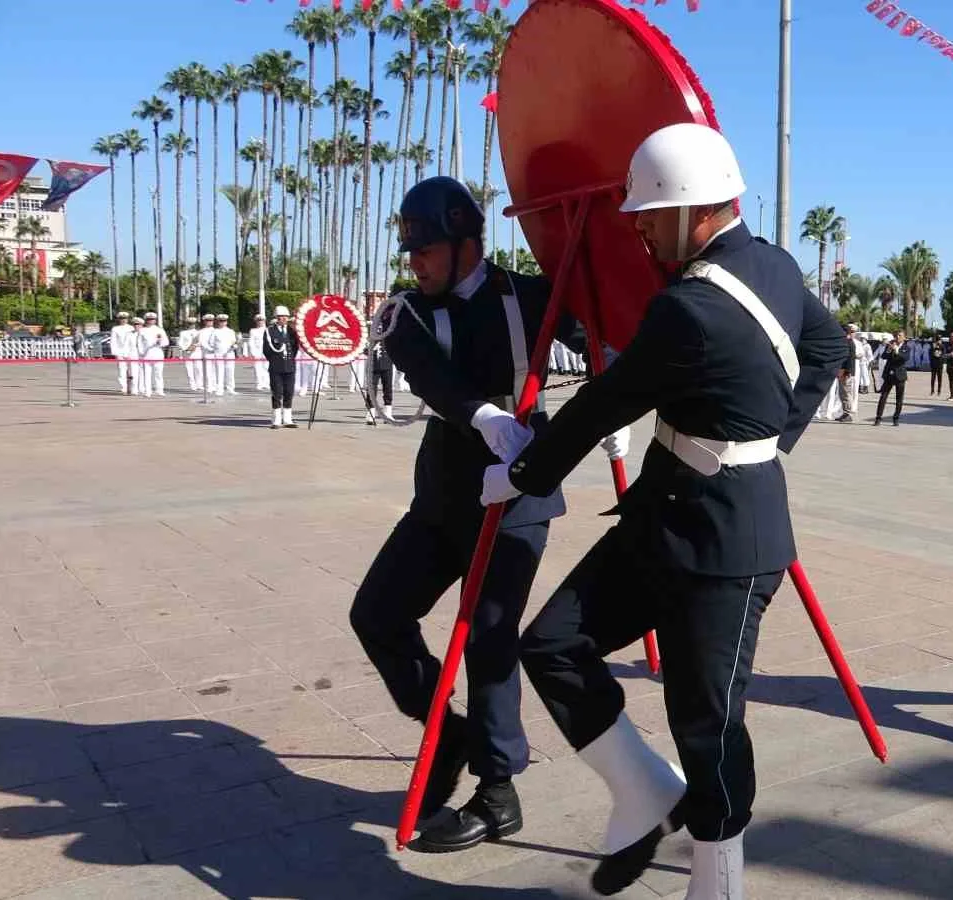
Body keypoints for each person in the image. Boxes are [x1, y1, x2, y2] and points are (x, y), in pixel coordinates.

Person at [486, 123, 845, 899]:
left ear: (697, 212)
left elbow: (603, 404)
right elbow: (827, 346)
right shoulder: (777, 266)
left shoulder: (690, 306)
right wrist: (772, 436)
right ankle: (645, 790)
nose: (640, 227)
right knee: (552, 646)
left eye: (651, 213)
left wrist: (522, 470)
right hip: (665, 516)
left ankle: (718, 882)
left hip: (728, 543)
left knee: (707, 724)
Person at [349, 176, 602, 854]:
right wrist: (485, 416)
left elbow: (599, 337)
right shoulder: (404, 311)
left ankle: (498, 786)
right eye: (411, 253)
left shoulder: (530, 295)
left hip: (521, 485)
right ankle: (449, 732)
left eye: (426, 250)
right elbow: (430, 374)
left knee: (490, 635)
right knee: (375, 613)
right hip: (445, 488)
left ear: (466, 243)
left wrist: (609, 392)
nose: (415, 264)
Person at [261, 306, 300, 429]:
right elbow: (266, 350)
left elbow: (295, 348)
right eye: (281, 317)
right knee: (277, 393)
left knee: (289, 392)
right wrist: (276, 361)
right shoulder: (270, 331)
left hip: (289, 366)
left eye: (285, 317)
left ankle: (288, 419)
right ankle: (276, 420)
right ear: (276, 318)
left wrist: (289, 361)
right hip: (276, 367)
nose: (283, 319)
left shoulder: (291, 331)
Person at [874, 330, 909, 426]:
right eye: (896, 335)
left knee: (899, 398)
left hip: (900, 375)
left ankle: (896, 418)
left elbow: (904, 359)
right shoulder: (890, 345)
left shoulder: (906, 348)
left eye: (900, 335)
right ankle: (878, 418)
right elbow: (884, 356)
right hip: (889, 374)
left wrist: (897, 350)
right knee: (883, 396)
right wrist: (889, 349)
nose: (897, 337)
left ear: (904, 338)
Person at [137, 312, 169, 397]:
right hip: (146, 354)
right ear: (146, 320)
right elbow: (139, 343)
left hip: (157, 353)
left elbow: (166, 342)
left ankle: (160, 390)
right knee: (147, 374)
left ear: (155, 320)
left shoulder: (159, 330)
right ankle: (148, 391)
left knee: (158, 373)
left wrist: (160, 343)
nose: (151, 321)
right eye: (149, 319)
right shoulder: (142, 330)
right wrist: (141, 353)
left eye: (153, 319)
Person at [109, 311, 136, 394]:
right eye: (122, 318)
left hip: (131, 351)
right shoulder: (115, 329)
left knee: (133, 370)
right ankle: (123, 387)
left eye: (125, 318)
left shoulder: (131, 328)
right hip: (120, 352)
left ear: (127, 319)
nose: (123, 320)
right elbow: (113, 341)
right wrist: (115, 353)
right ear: (119, 320)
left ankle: (134, 388)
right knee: (122, 370)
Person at [177, 316, 203, 392]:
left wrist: (195, 345)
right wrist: (186, 348)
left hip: (196, 353)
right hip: (187, 354)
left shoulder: (199, 332)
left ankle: (199, 385)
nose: (192, 325)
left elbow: (201, 342)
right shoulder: (183, 333)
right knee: (189, 371)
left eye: (193, 324)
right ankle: (192, 385)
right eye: (190, 324)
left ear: (195, 324)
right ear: (187, 324)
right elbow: (180, 343)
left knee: (198, 369)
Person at [248, 314, 269, 391]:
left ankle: (266, 383)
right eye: (258, 321)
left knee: (266, 367)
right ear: (256, 322)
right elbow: (251, 342)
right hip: (257, 351)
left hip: (266, 351)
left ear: (264, 321)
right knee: (257, 368)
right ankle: (259, 383)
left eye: (262, 320)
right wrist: (253, 352)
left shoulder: (268, 330)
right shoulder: (253, 331)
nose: (260, 322)